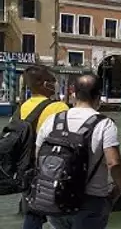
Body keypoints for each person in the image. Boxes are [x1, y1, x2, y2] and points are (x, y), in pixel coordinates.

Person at [37, 74, 121, 229]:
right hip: (91, 199)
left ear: (73, 93)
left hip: (55, 197)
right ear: (98, 96)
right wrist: (118, 188)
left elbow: (38, 156)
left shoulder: (52, 120)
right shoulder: (105, 124)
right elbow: (114, 162)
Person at [20, 65, 70, 229]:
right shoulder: (58, 107)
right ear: (44, 84)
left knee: (33, 214)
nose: (55, 84)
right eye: (53, 81)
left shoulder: (24, 106)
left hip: (26, 168)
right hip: (50, 171)